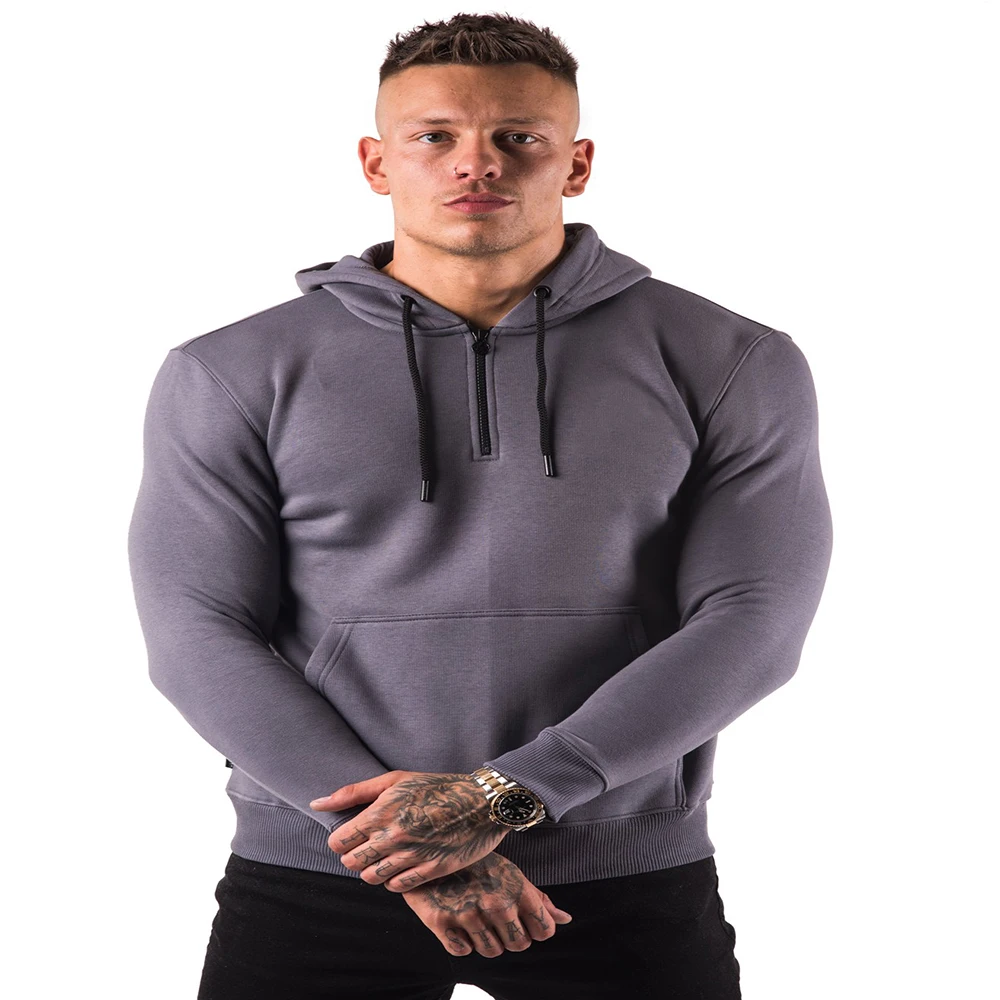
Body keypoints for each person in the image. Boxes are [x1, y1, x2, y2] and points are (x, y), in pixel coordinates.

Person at [127, 11, 833, 1000]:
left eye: (518, 137)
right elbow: (196, 631)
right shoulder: (232, 370)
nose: (477, 162)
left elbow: (755, 622)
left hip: (615, 868)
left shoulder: (730, 359)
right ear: (376, 162)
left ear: (575, 164)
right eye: (435, 136)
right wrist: (403, 841)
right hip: (323, 872)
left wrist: (506, 797)